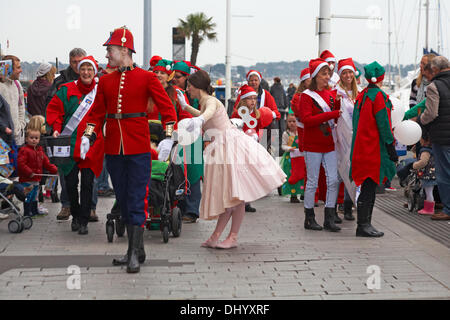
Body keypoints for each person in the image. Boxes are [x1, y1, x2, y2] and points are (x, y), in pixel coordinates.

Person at [82, 26, 177, 273]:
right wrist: (88, 135)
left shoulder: (146, 78)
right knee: (122, 198)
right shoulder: (105, 80)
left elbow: (168, 109)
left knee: (137, 197)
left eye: (110, 50)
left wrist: (167, 138)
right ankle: (137, 249)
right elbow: (97, 113)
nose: (107, 55)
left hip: (138, 146)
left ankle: (133, 252)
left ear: (124, 49)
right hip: (114, 147)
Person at [177, 69, 286, 249]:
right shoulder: (205, 101)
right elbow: (204, 115)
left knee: (236, 196)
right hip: (224, 147)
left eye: (189, 86)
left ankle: (232, 237)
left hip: (229, 147)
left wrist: (197, 118)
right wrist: (186, 107)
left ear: (197, 87)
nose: (188, 90)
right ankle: (217, 236)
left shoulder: (210, 101)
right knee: (232, 196)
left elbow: (208, 113)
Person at [46, 56, 105, 235]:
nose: (86, 72)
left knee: (88, 183)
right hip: (69, 143)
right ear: (78, 71)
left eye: (90, 69)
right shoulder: (65, 90)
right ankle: (76, 215)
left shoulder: (100, 91)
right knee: (70, 183)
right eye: (83, 69)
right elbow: (54, 110)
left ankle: (84, 219)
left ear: (94, 72)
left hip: (91, 143)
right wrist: (55, 128)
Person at [350, 61, 398, 237]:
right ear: (382, 77)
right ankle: (363, 225)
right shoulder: (378, 97)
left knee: (366, 186)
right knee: (369, 186)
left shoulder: (362, 95)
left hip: (360, 147)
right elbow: (384, 124)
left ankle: (365, 223)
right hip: (372, 148)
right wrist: (390, 146)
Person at [299, 58, 342, 232]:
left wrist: (339, 106)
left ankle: (329, 217)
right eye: (323, 74)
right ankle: (309, 218)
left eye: (328, 74)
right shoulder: (306, 96)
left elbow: (337, 115)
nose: (327, 77)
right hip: (312, 144)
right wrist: (331, 114)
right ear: (316, 76)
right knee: (312, 181)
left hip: (329, 143)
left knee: (333, 180)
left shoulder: (332, 94)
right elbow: (307, 120)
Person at [45, 48, 87, 222]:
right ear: (69, 62)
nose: (78, 66)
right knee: (65, 173)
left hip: (87, 136)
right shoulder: (60, 81)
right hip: (64, 134)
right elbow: (51, 105)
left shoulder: (94, 79)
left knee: (88, 176)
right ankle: (66, 205)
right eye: (74, 62)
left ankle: (89, 208)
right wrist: (53, 128)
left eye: (80, 62)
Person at [232, 70, 281, 213]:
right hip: (243, 143)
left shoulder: (266, 97)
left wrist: (269, 115)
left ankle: (250, 197)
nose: (254, 82)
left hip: (260, 136)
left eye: (256, 80)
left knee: (256, 167)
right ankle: (242, 199)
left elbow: (274, 113)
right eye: (251, 80)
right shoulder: (241, 110)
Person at [418, 56, 450, 221]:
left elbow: (431, 113)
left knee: (444, 174)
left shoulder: (434, 86)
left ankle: (448, 209)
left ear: (435, 70)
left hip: (442, 136)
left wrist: (419, 121)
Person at [334, 58, 361, 221]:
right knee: (340, 171)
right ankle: (336, 207)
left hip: (356, 137)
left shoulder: (360, 93)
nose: (348, 75)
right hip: (341, 137)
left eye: (350, 72)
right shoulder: (337, 92)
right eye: (344, 72)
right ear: (340, 75)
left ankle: (348, 204)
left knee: (353, 171)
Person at [17, 128, 57, 218]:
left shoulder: (40, 151)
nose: (34, 140)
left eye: (36, 138)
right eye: (31, 138)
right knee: (28, 196)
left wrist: (54, 169)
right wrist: (29, 172)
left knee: (35, 196)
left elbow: (46, 163)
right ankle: (27, 213)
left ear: (39, 139)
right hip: (27, 179)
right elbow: (21, 164)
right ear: (26, 139)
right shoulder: (24, 150)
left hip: (36, 179)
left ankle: (34, 211)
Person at [0, 55, 26, 148]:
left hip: (18, 139)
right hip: (3, 139)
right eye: (18, 67)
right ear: (9, 68)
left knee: (17, 162)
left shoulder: (17, 84)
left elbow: (21, 106)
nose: (21, 70)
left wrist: (21, 125)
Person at [280, 112, 305, 203]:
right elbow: (283, 145)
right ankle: (293, 195)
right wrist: (289, 148)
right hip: (290, 158)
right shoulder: (286, 134)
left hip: (301, 157)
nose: (291, 123)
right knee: (292, 176)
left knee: (303, 175)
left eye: (294, 121)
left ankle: (303, 193)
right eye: (289, 121)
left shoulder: (301, 132)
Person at [412, 132, 437, 215]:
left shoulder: (425, 151)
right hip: (435, 173)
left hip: (427, 174)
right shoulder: (435, 148)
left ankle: (429, 209)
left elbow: (423, 162)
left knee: (428, 192)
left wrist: (415, 165)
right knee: (431, 191)